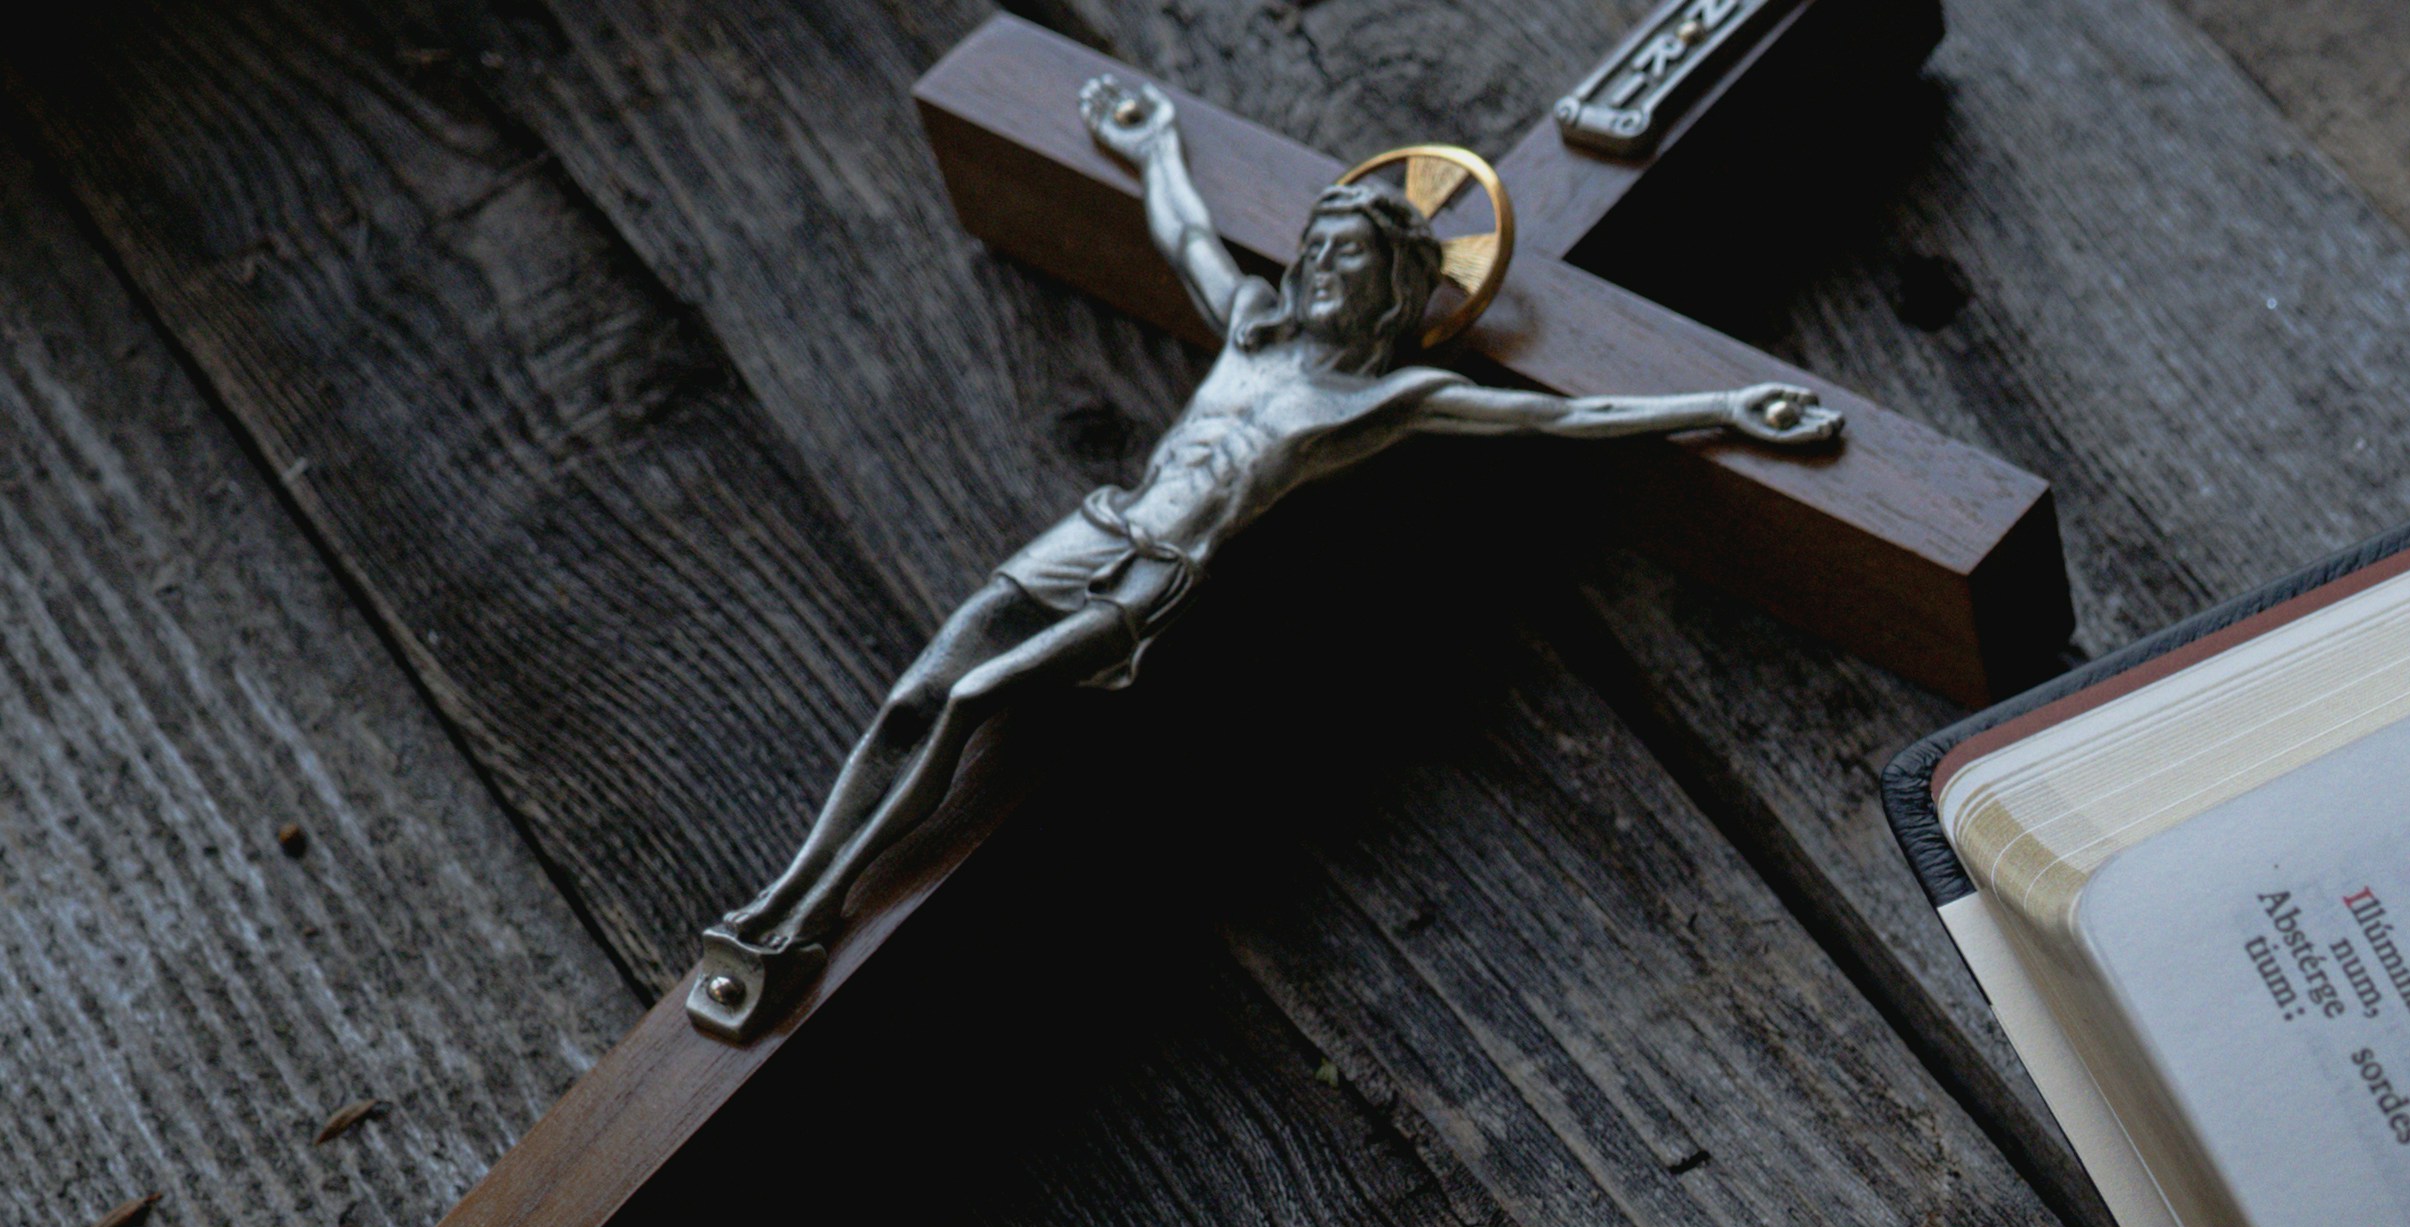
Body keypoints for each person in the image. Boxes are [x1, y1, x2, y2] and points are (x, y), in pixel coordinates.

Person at [691, 77, 1835, 1028]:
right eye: (1317, 250)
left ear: (1396, 289)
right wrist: (1152, 145)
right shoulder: (1248, 328)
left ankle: (815, 916)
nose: (1323, 269)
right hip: (1094, 527)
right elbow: (1185, 233)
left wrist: (1725, 407)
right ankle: (777, 899)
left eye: (1351, 260)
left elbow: (1560, 419)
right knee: (914, 693)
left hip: (1156, 577)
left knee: (976, 700)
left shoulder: (1379, 400)